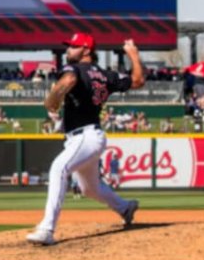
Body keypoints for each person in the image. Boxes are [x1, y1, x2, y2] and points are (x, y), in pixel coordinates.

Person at [26, 33, 144, 246]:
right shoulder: (106, 75)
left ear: (86, 50)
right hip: (91, 137)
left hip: (85, 136)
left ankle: (47, 229)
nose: (69, 50)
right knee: (91, 189)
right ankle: (125, 208)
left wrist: (52, 99)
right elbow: (137, 81)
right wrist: (134, 56)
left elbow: (69, 80)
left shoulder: (75, 69)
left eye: (73, 46)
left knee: (58, 168)